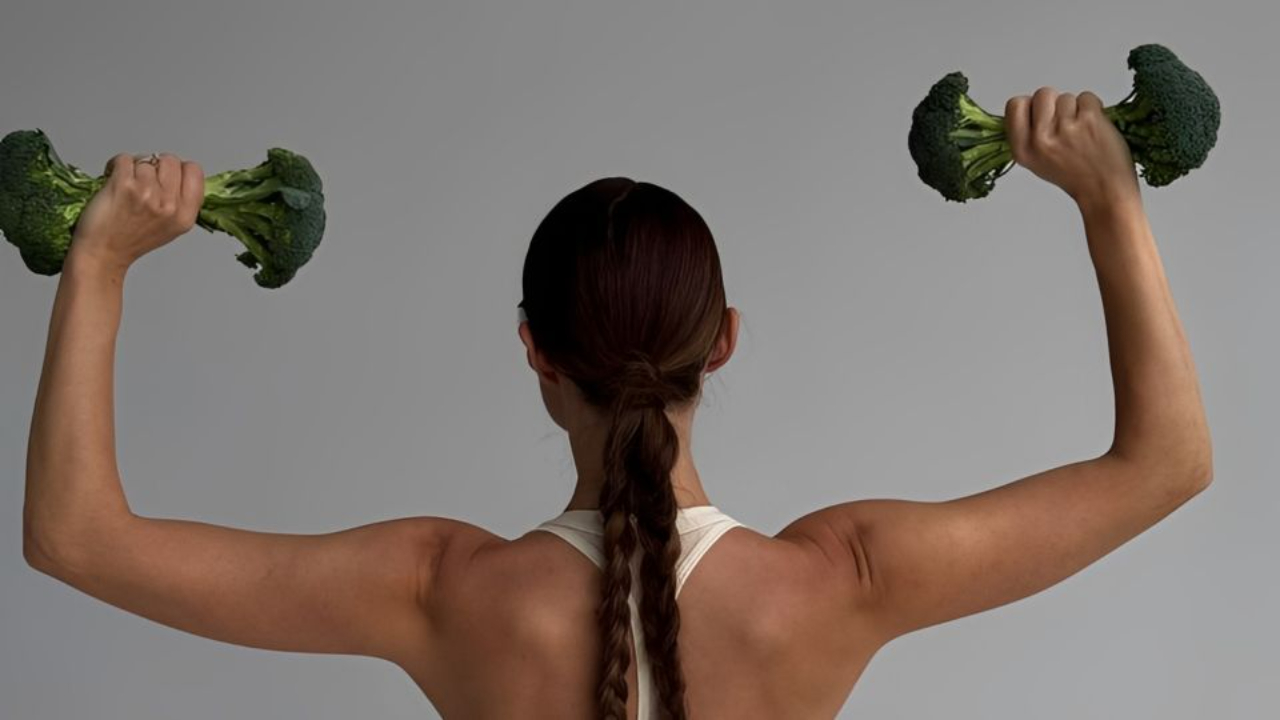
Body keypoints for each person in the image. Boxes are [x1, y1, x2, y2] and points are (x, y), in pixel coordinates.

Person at [22, 85, 1212, 720]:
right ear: (725, 343)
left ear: (535, 353)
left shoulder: (437, 591)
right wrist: (1109, 201)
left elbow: (77, 540)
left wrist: (100, 262)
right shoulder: (842, 582)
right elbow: (1166, 462)